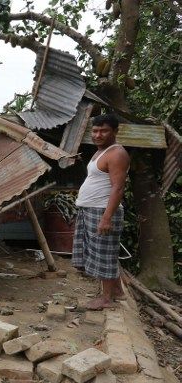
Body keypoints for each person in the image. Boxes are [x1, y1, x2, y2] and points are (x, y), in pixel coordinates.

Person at [72, 113, 130, 310]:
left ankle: (106, 299)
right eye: (95, 131)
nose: (98, 135)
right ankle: (118, 292)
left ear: (115, 131)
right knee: (99, 252)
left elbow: (118, 188)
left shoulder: (117, 154)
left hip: (102, 211)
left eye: (103, 130)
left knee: (103, 254)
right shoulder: (100, 152)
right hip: (91, 209)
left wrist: (107, 218)